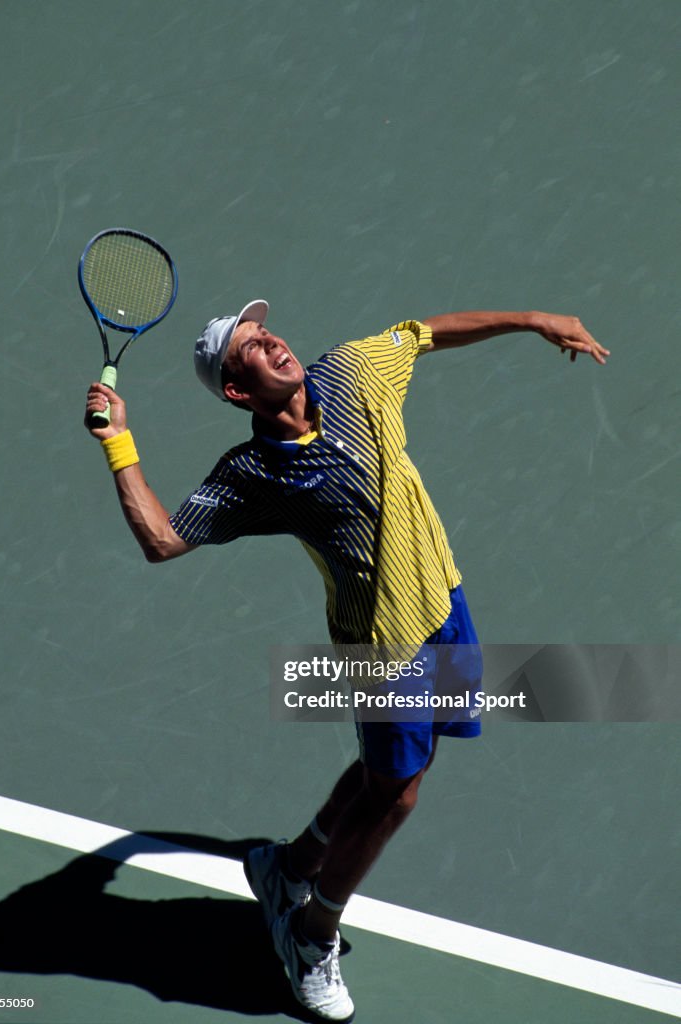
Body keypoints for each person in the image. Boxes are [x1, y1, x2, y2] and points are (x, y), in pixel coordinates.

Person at [84, 303, 608, 1022]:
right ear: (238, 392)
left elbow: (424, 333)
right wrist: (119, 442)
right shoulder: (253, 474)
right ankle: (310, 932)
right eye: (249, 347)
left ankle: (289, 867)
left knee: (404, 768)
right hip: (381, 648)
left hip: (444, 606)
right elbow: (164, 539)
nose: (269, 339)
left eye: (265, 330)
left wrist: (531, 319)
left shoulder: (354, 372)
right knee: (396, 795)